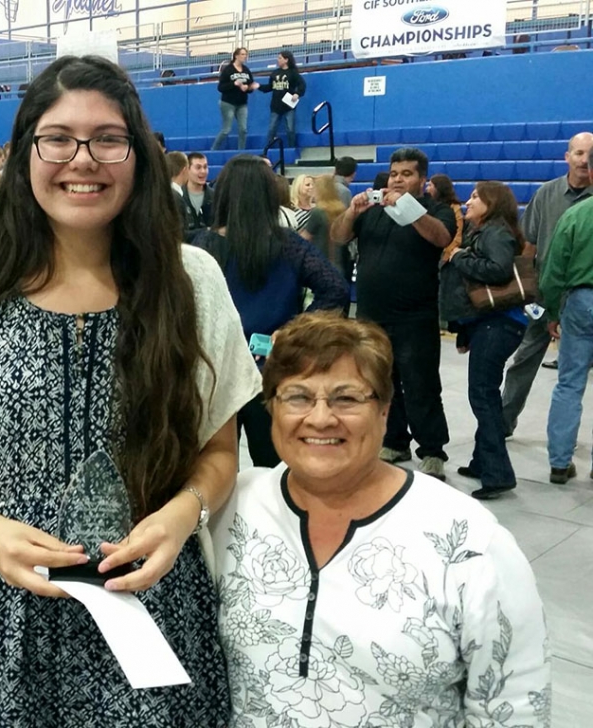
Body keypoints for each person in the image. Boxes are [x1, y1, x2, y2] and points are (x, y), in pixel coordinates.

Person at [0, 54, 261, 727]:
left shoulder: (191, 282)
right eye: (58, 138)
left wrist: (183, 515)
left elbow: (217, 452)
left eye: (108, 139)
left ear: (138, 157)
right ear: (27, 150)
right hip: (5, 612)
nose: (82, 159)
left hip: (156, 605)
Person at [211, 312, 551, 728]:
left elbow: (514, 710)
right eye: (298, 396)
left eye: (347, 398)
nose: (320, 418)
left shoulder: (469, 545)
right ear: (271, 408)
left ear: (385, 411)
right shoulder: (232, 509)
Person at [192, 155, 348, 467]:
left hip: (215, 372)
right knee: (276, 468)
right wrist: (295, 330)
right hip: (272, 367)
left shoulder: (202, 246)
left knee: (212, 468)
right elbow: (336, 289)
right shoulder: (288, 244)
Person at [331, 147, 456, 480]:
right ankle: (394, 440)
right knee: (380, 383)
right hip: (372, 315)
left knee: (421, 384)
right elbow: (338, 237)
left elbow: (441, 237)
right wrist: (352, 211)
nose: (398, 179)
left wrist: (408, 209)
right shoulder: (372, 209)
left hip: (416, 316)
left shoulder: (436, 210)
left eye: (407, 174)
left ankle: (432, 450)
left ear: (422, 179)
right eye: (395, 173)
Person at [439, 182, 527, 499]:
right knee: (484, 393)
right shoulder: (486, 230)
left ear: (493, 203)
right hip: (488, 325)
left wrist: (460, 257)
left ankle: (498, 473)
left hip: (499, 324)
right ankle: (482, 462)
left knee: (483, 395)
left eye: (476, 196)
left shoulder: (495, 231)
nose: (468, 200)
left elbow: (499, 269)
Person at [502, 131, 593, 434]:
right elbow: (529, 246)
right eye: (578, 153)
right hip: (544, 297)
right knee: (524, 358)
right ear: (567, 157)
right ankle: (504, 421)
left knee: (572, 378)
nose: (583, 160)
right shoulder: (546, 193)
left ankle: (565, 445)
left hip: (585, 301)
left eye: (588, 154)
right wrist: (526, 291)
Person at [539, 155, 593, 484]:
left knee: (570, 383)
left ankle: (560, 462)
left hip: (581, 302)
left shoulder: (576, 215)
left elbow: (552, 273)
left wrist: (553, 313)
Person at [212, 48, 259, 151]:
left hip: (242, 103)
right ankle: (213, 149)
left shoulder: (246, 70)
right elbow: (221, 87)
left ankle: (241, 151)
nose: (244, 56)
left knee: (243, 129)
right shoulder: (228, 70)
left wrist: (249, 87)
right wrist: (233, 84)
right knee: (226, 130)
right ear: (236, 56)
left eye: (246, 54)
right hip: (228, 103)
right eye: (242, 54)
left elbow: (249, 86)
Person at [259, 50, 305, 150]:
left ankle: (291, 148)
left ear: (286, 60)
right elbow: (270, 87)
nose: (278, 60)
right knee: (271, 129)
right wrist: (259, 86)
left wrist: (297, 94)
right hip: (275, 105)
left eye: (280, 58)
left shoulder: (293, 73)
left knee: (290, 129)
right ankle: (268, 149)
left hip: (288, 105)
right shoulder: (274, 73)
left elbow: (302, 84)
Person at [301, 173, 344, 264]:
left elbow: (304, 238)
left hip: (321, 262)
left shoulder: (318, 212)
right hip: (339, 261)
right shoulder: (341, 209)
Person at [427, 173, 465, 260]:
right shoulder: (429, 206)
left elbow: (457, 237)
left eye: (430, 185)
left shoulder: (454, 208)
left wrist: (445, 256)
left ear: (439, 188)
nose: (427, 188)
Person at [182, 152, 213, 236]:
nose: (203, 171)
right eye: (198, 167)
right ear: (187, 169)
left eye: (205, 167)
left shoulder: (215, 197)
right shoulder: (178, 196)